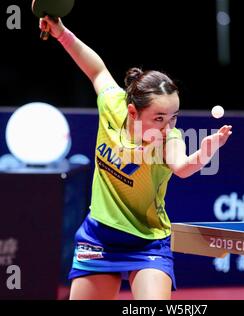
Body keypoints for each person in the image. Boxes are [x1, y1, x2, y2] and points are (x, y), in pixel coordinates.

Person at [39, 16, 233, 300]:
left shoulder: (170, 139)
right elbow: (96, 70)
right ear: (132, 112)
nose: (168, 126)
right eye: (159, 118)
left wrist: (206, 151)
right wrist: (61, 33)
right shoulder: (113, 104)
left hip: (148, 242)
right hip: (100, 237)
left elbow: (182, 167)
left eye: (173, 117)